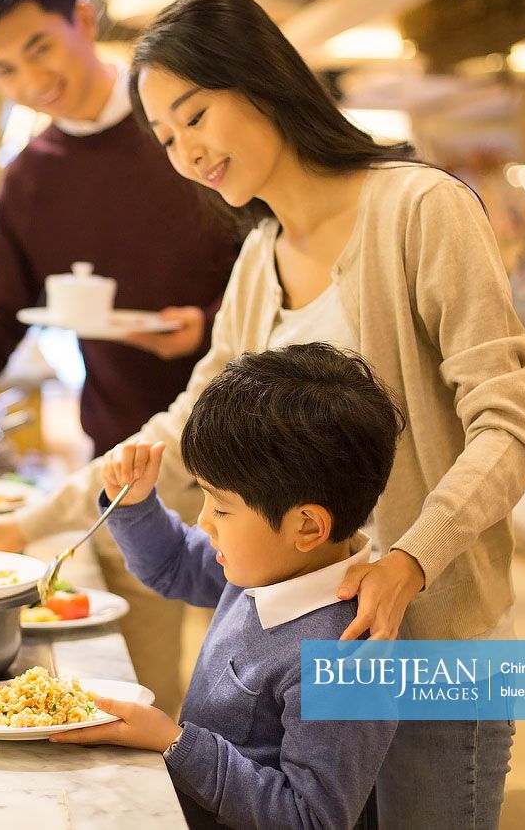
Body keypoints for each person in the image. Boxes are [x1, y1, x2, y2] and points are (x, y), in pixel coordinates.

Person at [0, 0, 525, 826]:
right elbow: (181, 424)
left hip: (433, 644)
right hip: (311, 653)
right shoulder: (257, 258)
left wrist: (409, 559)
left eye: (194, 114)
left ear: (260, 80)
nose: (186, 151)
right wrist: (35, 518)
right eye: (165, 137)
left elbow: (507, 427)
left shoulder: (419, 209)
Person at [0, 0, 240, 715]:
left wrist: (207, 324)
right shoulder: (33, 177)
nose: (29, 80)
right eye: (2, 69)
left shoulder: (186, 126)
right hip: (139, 466)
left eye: (38, 47)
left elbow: (275, 260)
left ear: (82, 15)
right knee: (149, 696)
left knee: (262, 691)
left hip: (255, 448)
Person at [51, 344, 403, 830]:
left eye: (220, 508)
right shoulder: (264, 567)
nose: (204, 522)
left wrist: (176, 743)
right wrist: (132, 504)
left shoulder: (341, 658)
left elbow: (312, 818)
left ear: (307, 527)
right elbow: (173, 563)